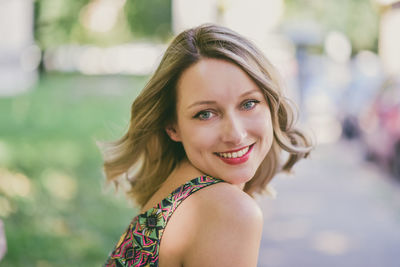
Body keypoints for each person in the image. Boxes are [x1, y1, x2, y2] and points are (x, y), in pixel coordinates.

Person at [99, 23, 313, 267]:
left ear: (271, 105)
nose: (235, 134)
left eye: (249, 104)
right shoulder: (227, 211)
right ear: (173, 126)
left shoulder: (178, 189)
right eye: (206, 114)